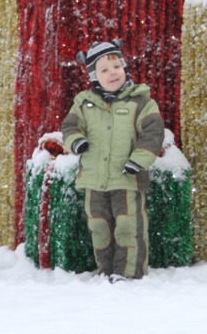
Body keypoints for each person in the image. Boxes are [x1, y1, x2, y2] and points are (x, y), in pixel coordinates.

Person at [62, 39, 165, 282]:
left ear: (125, 68)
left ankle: (127, 272)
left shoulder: (140, 102)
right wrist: (76, 141)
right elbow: (70, 127)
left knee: (129, 227)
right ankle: (105, 271)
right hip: (94, 179)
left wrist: (138, 160)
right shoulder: (84, 104)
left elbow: (153, 133)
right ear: (94, 76)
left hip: (127, 178)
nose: (113, 73)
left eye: (117, 66)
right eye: (104, 70)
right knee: (99, 228)